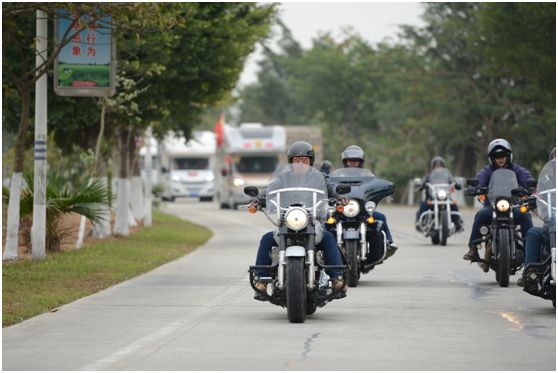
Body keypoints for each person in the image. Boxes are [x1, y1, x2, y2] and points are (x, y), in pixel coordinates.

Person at [252, 141, 348, 293]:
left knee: (328, 238)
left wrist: (337, 196)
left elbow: (330, 189)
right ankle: (261, 280)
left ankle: (337, 278)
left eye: (304, 159)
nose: (301, 163)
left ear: (311, 161)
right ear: (291, 161)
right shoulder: (283, 177)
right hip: (288, 219)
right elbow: (270, 189)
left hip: (312, 219)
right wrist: (259, 199)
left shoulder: (320, 177)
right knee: (267, 239)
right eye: (297, 159)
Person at [463, 138, 535, 261]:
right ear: (492, 158)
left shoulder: (516, 169)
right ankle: (473, 248)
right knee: (481, 214)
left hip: (513, 206)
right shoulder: (488, 170)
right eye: (496, 155)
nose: (500, 158)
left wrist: (531, 186)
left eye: (503, 155)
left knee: (525, 215)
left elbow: (526, 177)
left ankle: (531, 251)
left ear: (509, 155)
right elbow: (479, 178)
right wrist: (474, 187)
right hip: (492, 206)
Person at [340, 145, 398, 258]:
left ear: (360, 162)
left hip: (362, 211)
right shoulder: (338, 176)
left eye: (355, 161)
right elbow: (329, 185)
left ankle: (389, 243)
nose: (352, 163)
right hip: (342, 210)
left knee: (380, 217)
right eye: (350, 160)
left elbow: (374, 185)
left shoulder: (367, 176)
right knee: (325, 220)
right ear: (345, 161)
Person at [517, 147, 556, 287]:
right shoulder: (546, 180)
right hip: (552, 223)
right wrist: (533, 198)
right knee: (533, 233)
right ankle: (530, 273)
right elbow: (538, 194)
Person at [415, 156, 463, 232]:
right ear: (433, 167)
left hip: (444, 197)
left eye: (440, 165)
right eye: (436, 165)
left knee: (453, 205)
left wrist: (457, 183)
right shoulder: (429, 175)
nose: (438, 167)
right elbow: (423, 182)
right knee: (424, 204)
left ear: (443, 166)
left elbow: (453, 181)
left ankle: (457, 223)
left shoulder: (447, 174)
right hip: (432, 197)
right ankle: (419, 222)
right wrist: (421, 184)